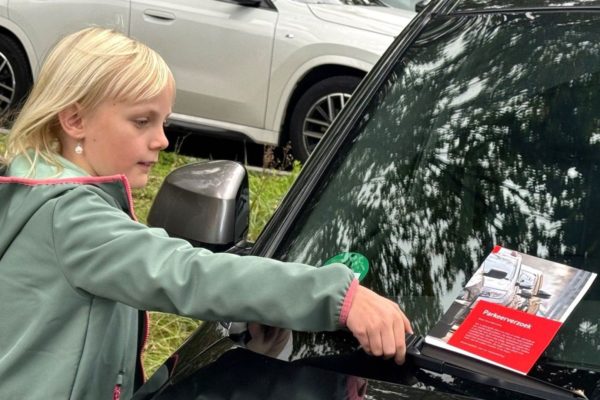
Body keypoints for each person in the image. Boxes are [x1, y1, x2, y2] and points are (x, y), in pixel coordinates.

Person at [0, 27, 412, 399]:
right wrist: (337, 297)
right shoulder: (70, 216)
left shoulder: (32, 189)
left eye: (163, 121)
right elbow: (187, 273)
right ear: (74, 119)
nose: (161, 140)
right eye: (142, 121)